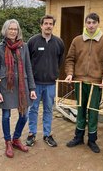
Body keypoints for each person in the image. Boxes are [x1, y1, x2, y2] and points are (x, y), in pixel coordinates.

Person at [64, 13, 103, 153]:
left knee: (92, 113)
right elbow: (70, 60)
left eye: (94, 22)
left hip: (96, 84)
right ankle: (78, 137)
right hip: (79, 82)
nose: (91, 25)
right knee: (80, 110)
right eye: (89, 22)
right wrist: (70, 74)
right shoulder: (77, 40)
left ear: (98, 23)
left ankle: (92, 140)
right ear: (85, 24)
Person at [0, 19, 37, 158]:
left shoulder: (24, 47)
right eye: (10, 29)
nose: (13, 31)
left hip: (22, 88)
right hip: (6, 87)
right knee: (6, 116)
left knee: (24, 116)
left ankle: (16, 139)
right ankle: (8, 142)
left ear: (18, 31)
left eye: (15, 29)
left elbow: (28, 68)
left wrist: (32, 88)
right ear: (5, 30)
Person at [26, 14, 65, 147]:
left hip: (50, 84)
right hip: (35, 84)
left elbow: (60, 61)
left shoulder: (59, 42)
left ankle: (47, 135)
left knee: (48, 109)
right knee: (33, 109)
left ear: (53, 26)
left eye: (50, 24)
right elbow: (27, 62)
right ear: (41, 25)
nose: (48, 26)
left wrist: (53, 73)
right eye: (46, 23)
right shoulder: (32, 41)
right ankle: (31, 134)